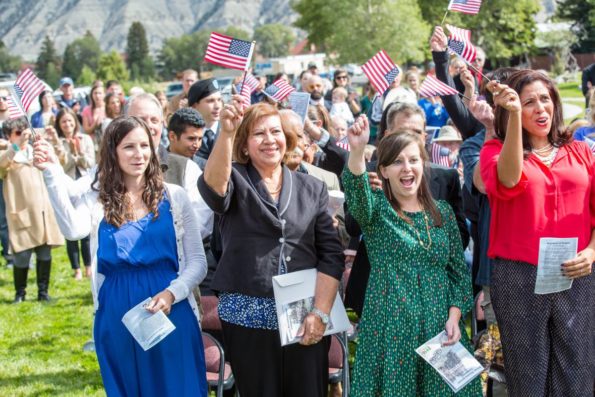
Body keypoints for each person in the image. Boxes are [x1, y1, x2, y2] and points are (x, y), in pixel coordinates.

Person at [35, 116, 208, 396]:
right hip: (117, 316)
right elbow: (72, 230)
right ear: (113, 152)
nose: (139, 154)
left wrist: (172, 293)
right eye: (129, 147)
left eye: (144, 145)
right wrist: (49, 174)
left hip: (170, 311)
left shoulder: (174, 197)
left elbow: (197, 262)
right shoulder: (97, 201)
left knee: (179, 387)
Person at [197, 99, 344, 397]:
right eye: (258, 133)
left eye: (275, 132)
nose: (269, 140)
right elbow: (213, 189)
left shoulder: (311, 187)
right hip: (248, 316)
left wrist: (321, 312)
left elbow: (331, 254)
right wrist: (226, 133)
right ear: (245, 143)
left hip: (305, 315)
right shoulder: (234, 178)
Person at [343, 115, 480, 396]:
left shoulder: (442, 212)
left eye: (414, 160)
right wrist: (357, 151)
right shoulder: (376, 211)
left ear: (424, 165)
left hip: (440, 327)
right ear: (383, 171)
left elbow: (457, 272)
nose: (407, 168)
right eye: (397, 162)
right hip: (390, 328)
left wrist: (455, 318)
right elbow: (357, 194)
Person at [480, 70, 594, 396]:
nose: (540, 108)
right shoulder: (494, 151)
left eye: (545, 99)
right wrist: (515, 116)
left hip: (576, 274)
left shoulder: (581, 152)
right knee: (529, 378)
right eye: (529, 102)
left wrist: (591, 252)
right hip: (520, 278)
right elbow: (511, 178)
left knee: (577, 373)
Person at [1, 117, 64, 302]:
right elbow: (1, 164)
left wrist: (55, 140)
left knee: (45, 255)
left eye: (24, 132)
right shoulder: (8, 156)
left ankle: (42, 293)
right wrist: (16, 146)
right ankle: (20, 293)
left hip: (44, 214)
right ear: (9, 136)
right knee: (22, 257)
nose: (23, 137)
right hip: (21, 214)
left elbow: (62, 160)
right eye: (17, 133)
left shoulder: (36, 152)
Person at [48, 108, 95, 279]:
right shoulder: (57, 143)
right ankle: (76, 268)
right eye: (63, 122)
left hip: (84, 186)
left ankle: (89, 265)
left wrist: (78, 152)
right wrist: (69, 152)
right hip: (67, 185)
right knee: (70, 227)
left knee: (87, 230)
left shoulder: (86, 139)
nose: (67, 125)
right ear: (59, 125)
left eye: (70, 121)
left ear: (75, 122)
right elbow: (61, 166)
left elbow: (90, 163)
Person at [189, 79, 222, 161]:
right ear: (194, 106)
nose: (217, 106)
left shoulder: (230, 131)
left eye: (219, 100)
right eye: (210, 101)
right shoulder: (187, 134)